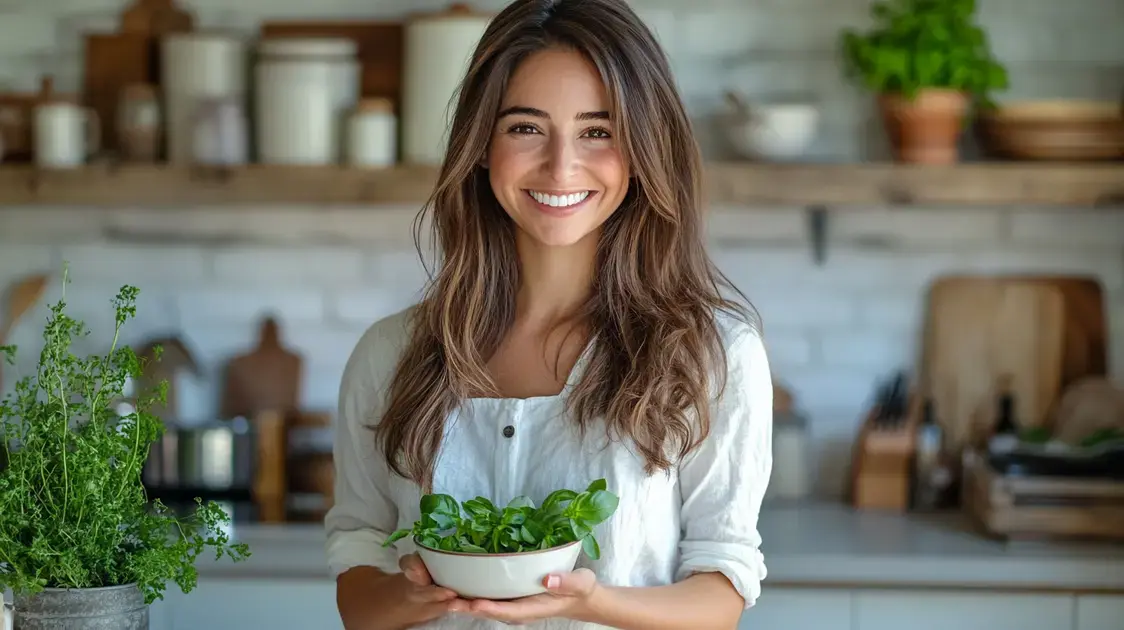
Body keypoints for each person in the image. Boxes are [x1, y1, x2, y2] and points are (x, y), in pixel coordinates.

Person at [324, 0, 774, 628]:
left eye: (599, 130)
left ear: (645, 147)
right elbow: (358, 585)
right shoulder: (392, 353)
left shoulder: (712, 354)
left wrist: (592, 602)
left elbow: (721, 593)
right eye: (525, 128)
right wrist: (418, 593)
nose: (562, 167)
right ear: (481, 146)